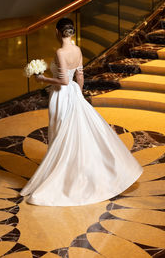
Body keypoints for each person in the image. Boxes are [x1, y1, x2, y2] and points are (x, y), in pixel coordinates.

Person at [20, 18, 143, 206]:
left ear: (57, 32)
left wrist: (43, 79)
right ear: (72, 32)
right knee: (76, 133)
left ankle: (65, 173)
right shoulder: (77, 50)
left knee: (61, 132)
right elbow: (79, 76)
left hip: (61, 96)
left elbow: (63, 81)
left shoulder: (60, 52)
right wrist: (78, 94)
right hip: (75, 93)